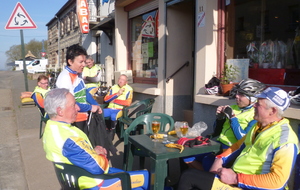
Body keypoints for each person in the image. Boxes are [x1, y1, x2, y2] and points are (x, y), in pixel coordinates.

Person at [177, 87, 299, 190]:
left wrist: (236, 178)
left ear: (272, 111)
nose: (254, 105)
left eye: (258, 104)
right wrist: (219, 159)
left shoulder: (285, 139)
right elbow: (238, 146)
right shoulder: (259, 126)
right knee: (191, 176)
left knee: (189, 177)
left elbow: (278, 182)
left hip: (247, 185)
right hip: (236, 178)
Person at [42, 88, 149, 190]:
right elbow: (98, 167)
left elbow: (77, 154)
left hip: (79, 177)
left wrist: (93, 152)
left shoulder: (51, 128)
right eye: (73, 105)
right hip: (96, 183)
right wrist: (101, 154)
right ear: (60, 111)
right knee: (148, 177)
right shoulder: (68, 139)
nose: (78, 108)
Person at [184, 79, 266, 170]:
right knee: (187, 155)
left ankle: (208, 180)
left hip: (232, 148)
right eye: (237, 93)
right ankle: (201, 178)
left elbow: (243, 139)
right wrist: (220, 118)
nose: (237, 96)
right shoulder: (233, 106)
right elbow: (217, 131)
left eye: (241, 94)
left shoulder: (255, 115)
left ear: (253, 98)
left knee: (207, 162)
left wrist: (232, 118)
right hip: (219, 144)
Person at [55, 44, 102, 132]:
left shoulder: (77, 74)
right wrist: (91, 107)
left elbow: (85, 92)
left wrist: (96, 105)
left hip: (82, 118)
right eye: (81, 62)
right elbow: (70, 103)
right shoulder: (65, 77)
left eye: (84, 61)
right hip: (73, 121)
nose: (84, 65)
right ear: (70, 62)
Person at [103, 74, 133, 140]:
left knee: (113, 116)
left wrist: (115, 100)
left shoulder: (129, 89)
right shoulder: (113, 87)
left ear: (126, 82)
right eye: (119, 79)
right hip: (110, 108)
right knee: (99, 113)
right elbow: (106, 99)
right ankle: (105, 130)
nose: (120, 81)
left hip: (120, 109)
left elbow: (128, 103)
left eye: (122, 80)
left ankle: (112, 132)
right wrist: (117, 94)